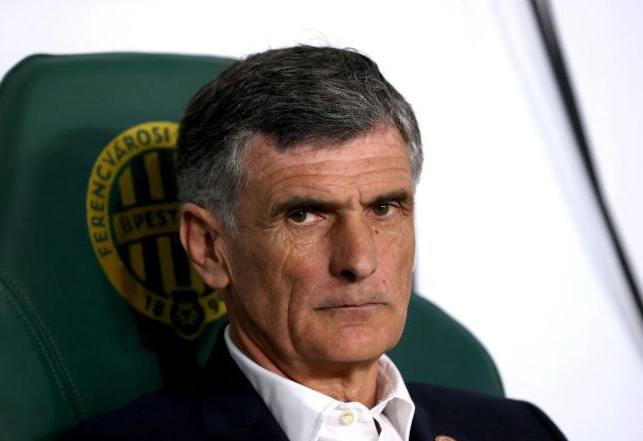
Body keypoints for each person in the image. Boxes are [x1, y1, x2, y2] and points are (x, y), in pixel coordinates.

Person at [62, 45, 566, 441]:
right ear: (210, 248)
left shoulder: (520, 431)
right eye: (304, 215)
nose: (359, 260)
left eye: (384, 208)